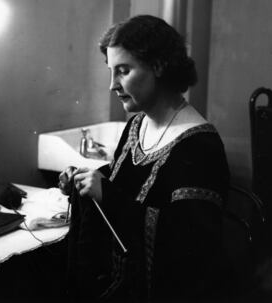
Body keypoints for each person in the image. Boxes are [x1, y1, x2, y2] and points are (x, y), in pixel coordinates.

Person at [59, 15, 230, 302]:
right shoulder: (137, 125)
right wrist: (85, 180)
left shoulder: (200, 146)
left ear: (159, 66)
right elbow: (126, 177)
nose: (112, 85)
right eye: (111, 71)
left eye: (123, 71)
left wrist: (107, 195)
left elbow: (191, 245)